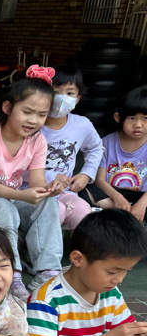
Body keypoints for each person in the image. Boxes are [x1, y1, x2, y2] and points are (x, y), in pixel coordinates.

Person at [0, 65, 65, 301]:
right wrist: (23, 195)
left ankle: (47, 272)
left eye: (41, 115)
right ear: (8, 107)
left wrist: (50, 189)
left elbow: (36, 180)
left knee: (49, 204)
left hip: (15, 197)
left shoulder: (37, 141)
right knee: (3, 206)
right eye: (27, 112)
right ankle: (11, 274)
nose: (34, 120)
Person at [41, 62, 105, 229]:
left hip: (64, 191)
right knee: (58, 211)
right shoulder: (31, 125)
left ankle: (81, 245)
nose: (62, 98)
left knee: (82, 211)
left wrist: (86, 174)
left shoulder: (81, 125)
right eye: (55, 92)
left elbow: (96, 148)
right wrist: (50, 178)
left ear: (77, 99)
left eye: (69, 93)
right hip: (32, 190)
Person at [96, 85, 147, 222]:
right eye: (132, 118)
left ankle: (126, 209)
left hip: (142, 196)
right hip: (111, 193)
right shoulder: (106, 142)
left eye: (145, 118)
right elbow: (99, 179)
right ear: (118, 118)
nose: (138, 124)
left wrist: (142, 204)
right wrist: (117, 197)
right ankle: (123, 208)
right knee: (84, 188)